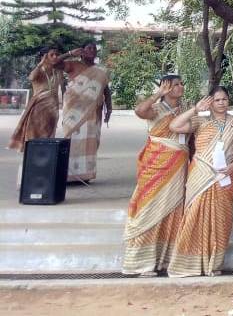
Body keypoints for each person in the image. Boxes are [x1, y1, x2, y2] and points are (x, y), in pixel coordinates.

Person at [167, 86, 233, 277]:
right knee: (194, 214)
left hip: (225, 175)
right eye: (217, 100)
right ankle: (189, 264)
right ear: (210, 102)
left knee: (222, 218)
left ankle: (214, 263)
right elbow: (174, 126)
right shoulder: (200, 121)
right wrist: (195, 109)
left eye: (224, 99)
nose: (221, 103)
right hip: (200, 175)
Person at [122, 74, 190, 276]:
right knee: (149, 209)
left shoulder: (185, 110)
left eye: (181, 84)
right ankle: (141, 264)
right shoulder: (156, 109)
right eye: (175, 85)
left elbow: (192, 138)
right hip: (156, 165)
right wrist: (158, 94)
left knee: (173, 210)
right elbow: (139, 111)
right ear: (165, 87)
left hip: (178, 167)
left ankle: (166, 260)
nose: (180, 87)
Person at [59, 43, 112, 183]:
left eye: (94, 48)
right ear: (82, 51)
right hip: (74, 110)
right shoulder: (73, 65)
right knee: (73, 141)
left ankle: (85, 175)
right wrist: (70, 53)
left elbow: (106, 89)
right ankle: (68, 175)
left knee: (91, 141)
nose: (92, 50)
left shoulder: (101, 70)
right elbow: (54, 63)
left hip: (94, 111)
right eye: (89, 48)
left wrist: (109, 107)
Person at [9, 48, 64, 151]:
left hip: (52, 110)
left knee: (48, 137)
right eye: (52, 55)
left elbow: (61, 88)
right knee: (34, 136)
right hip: (38, 109)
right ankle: (31, 158)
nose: (55, 57)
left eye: (57, 54)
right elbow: (31, 78)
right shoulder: (40, 70)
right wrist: (40, 64)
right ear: (43, 57)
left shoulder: (57, 71)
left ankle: (44, 159)